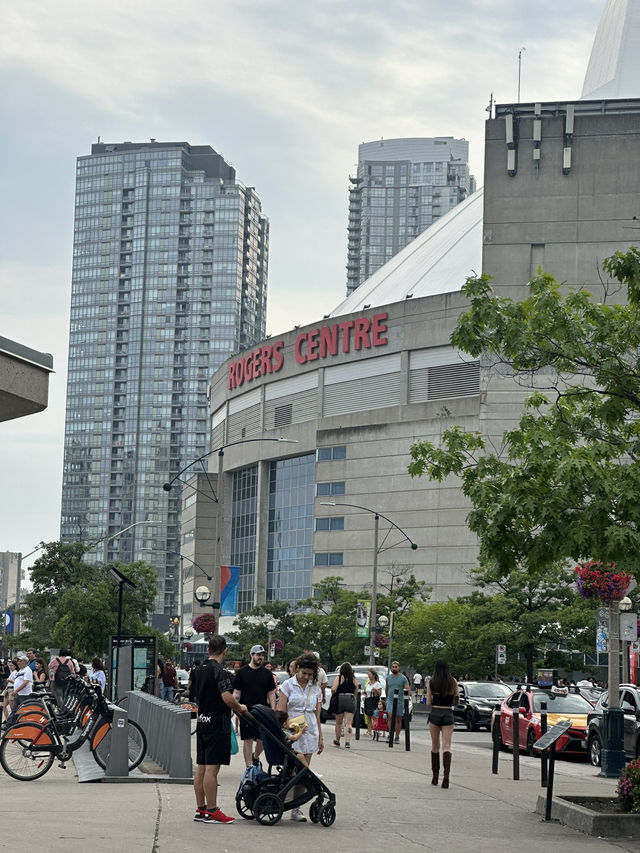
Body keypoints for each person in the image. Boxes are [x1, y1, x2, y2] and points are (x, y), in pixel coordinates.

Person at [193, 635, 248, 825]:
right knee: (212, 769)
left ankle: (200, 809)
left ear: (208, 650)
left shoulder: (199, 670)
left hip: (202, 721)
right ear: (225, 651)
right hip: (217, 723)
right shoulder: (220, 672)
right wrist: (239, 708)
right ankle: (212, 810)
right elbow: (227, 697)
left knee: (201, 767)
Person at [276, 652, 324, 821]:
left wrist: (320, 737)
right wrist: (288, 725)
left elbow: (317, 715)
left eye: (309, 674)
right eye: (303, 673)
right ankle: (279, 803)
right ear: (297, 670)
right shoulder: (287, 686)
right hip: (292, 729)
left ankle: (296, 809)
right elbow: (281, 711)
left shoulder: (314, 688)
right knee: (289, 772)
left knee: (303, 773)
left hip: (309, 730)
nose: (306, 677)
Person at [233, 644, 277, 768]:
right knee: (247, 739)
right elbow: (236, 694)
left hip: (262, 711)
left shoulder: (267, 674)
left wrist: (273, 710)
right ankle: (249, 767)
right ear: (251, 655)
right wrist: (234, 708)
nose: (260, 657)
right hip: (246, 711)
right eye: (258, 655)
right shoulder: (242, 673)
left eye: (262, 655)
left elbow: (271, 693)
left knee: (262, 739)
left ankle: (255, 756)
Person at [427, 658, 459, 789]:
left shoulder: (432, 681)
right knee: (447, 746)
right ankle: (446, 778)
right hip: (447, 714)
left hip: (435, 713)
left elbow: (428, 702)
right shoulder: (453, 682)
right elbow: (457, 701)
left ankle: (435, 777)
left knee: (435, 746)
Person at [331, 662, 358, 749]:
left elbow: (333, 690)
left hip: (340, 698)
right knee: (348, 723)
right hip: (350, 698)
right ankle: (347, 741)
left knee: (338, 723)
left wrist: (340, 684)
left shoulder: (338, 678)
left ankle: (337, 740)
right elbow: (356, 690)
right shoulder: (353, 679)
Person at [4, 654, 33, 729]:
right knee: (14, 710)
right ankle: (9, 725)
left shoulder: (27, 670)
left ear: (24, 662)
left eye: (20, 661)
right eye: (18, 661)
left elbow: (25, 682)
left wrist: (16, 690)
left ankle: (23, 725)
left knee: (23, 710)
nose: (18, 663)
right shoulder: (20, 670)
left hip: (25, 694)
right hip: (19, 693)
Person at [385, 660, 410, 743]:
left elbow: (407, 688)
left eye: (396, 667)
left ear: (398, 668)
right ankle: (390, 734)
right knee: (390, 716)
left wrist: (407, 698)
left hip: (400, 701)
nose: (394, 668)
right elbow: (387, 688)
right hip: (390, 700)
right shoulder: (388, 678)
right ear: (391, 668)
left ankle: (397, 736)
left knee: (398, 719)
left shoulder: (403, 678)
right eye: (393, 667)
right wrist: (387, 697)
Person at [363, 667, 383, 737]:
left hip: (374, 700)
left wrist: (376, 691)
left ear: (374, 675)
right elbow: (367, 691)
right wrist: (364, 692)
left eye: (370, 674)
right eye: (368, 674)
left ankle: (376, 730)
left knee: (373, 715)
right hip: (368, 699)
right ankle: (369, 730)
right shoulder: (368, 683)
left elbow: (380, 693)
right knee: (368, 715)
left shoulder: (377, 683)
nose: (369, 676)